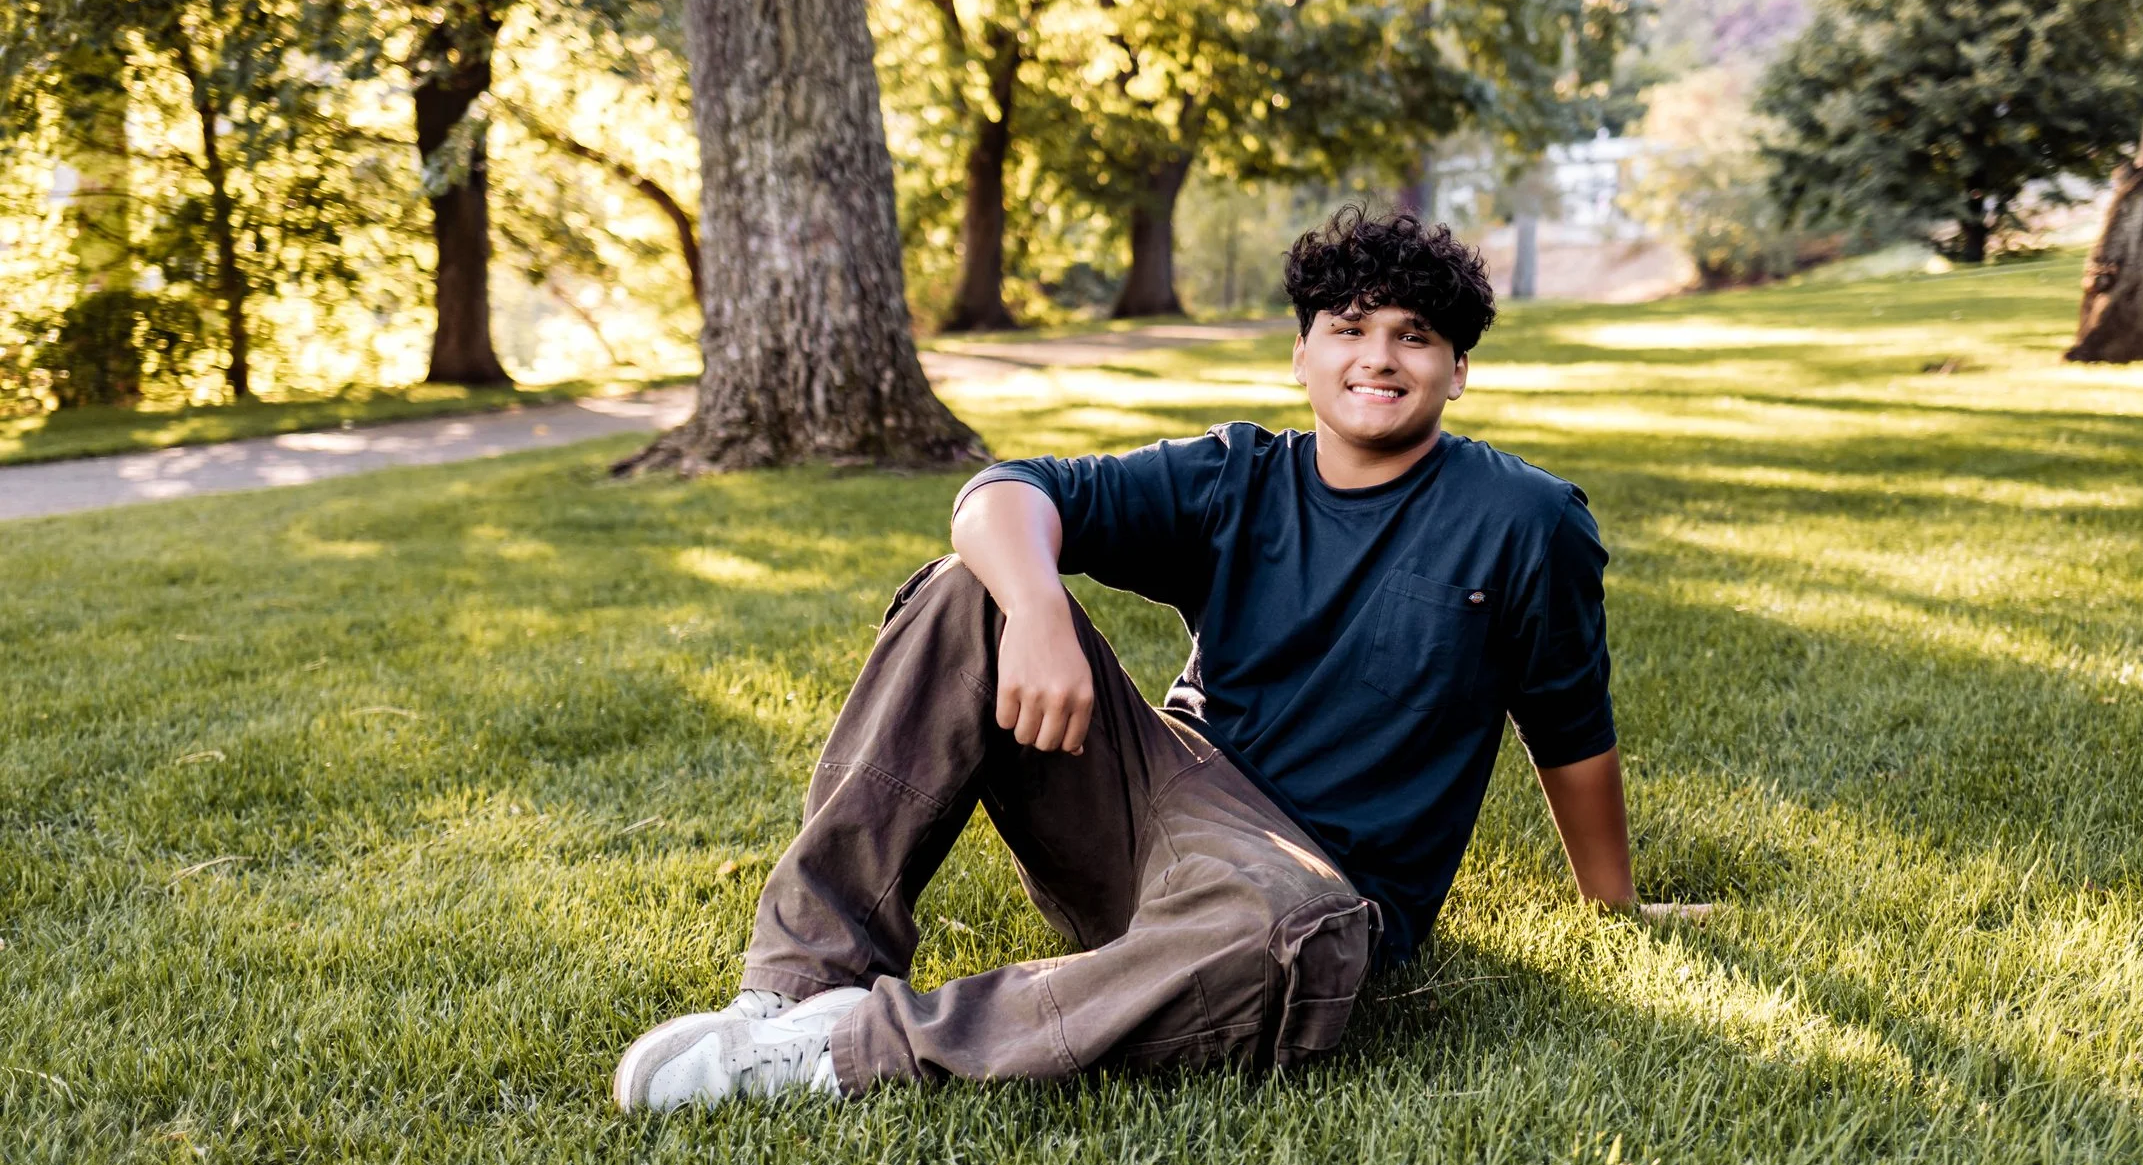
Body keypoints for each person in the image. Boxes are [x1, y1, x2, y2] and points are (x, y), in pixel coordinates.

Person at [613, 205, 1689, 1112]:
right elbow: (1001, 494)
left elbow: (1567, 721)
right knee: (964, 592)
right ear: (1301, 352)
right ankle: (797, 987)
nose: (1377, 356)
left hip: (1312, 893)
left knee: (1286, 930)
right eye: (1348, 327)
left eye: (1414, 336)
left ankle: (841, 1051)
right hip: (1158, 814)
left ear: (1458, 370)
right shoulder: (1236, 477)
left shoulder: (1524, 519)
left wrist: (1615, 904)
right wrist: (1036, 607)